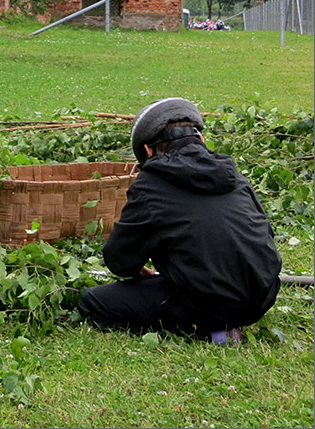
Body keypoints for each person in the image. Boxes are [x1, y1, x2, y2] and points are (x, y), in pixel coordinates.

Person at [78, 97, 282, 343]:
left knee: (92, 302)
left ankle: (209, 330)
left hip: (210, 303)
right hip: (262, 297)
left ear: (147, 151)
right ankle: (220, 320)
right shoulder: (235, 177)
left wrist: (138, 268)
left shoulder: (151, 184)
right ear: (202, 139)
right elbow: (264, 235)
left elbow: (119, 261)